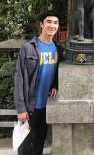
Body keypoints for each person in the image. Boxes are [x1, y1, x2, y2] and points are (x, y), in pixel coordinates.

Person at [14, 10, 63, 155]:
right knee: (25, 144)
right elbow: (19, 78)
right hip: (30, 106)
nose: (52, 26)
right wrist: (21, 109)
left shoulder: (58, 49)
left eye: (55, 23)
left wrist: (56, 85)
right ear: (41, 24)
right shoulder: (28, 48)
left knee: (39, 141)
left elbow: (57, 72)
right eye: (49, 22)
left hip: (46, 105)